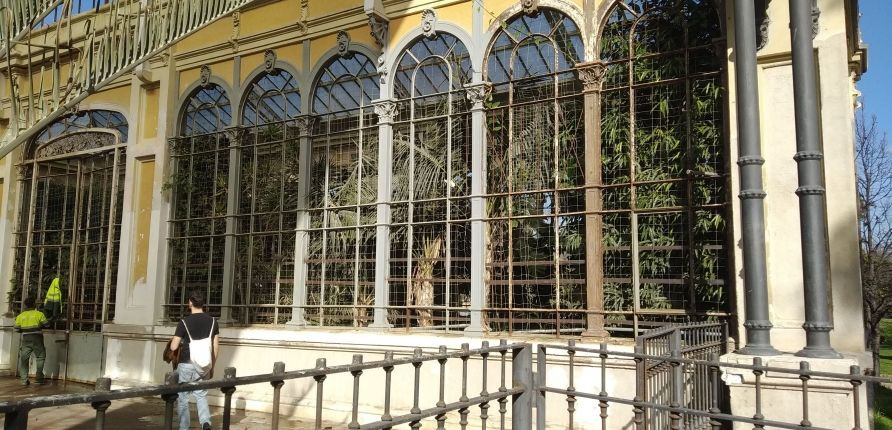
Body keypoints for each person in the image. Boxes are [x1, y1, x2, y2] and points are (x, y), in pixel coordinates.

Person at [169, 293, 219, 430]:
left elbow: (173, 346)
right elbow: (215, 347)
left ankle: (184, 427)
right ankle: (205, 422)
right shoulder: (213, 321)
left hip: (186, 364)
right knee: (201, 395)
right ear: (203, 304)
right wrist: (212, 367)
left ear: (190, 303)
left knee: (183, 398)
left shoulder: (184, 322)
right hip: (204, 364)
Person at [14, 296, 48, 386]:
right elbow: (47, 325)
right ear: (34, 304)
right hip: (37, 338)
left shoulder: (20, 316)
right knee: (40, 357)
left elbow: (17, 329)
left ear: (25, 305)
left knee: (24, 359)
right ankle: (39, 379)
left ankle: (24, 380)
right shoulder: (39, 314)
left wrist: (25, 329)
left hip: (26, 339)